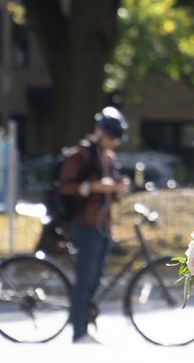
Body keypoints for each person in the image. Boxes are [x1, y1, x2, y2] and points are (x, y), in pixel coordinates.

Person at [59, 106, 130, 344]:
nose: (113, 143)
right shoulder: (80, 154)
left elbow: (112, 195)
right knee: (84, 279)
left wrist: (118, 190)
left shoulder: (108, 158)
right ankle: (79, 331)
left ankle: (84, 324)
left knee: (95, 278)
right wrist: (95, 186)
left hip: (102, 227)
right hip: (84, 224)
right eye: (111, 137)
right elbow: (65, 186)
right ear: (99, 131)